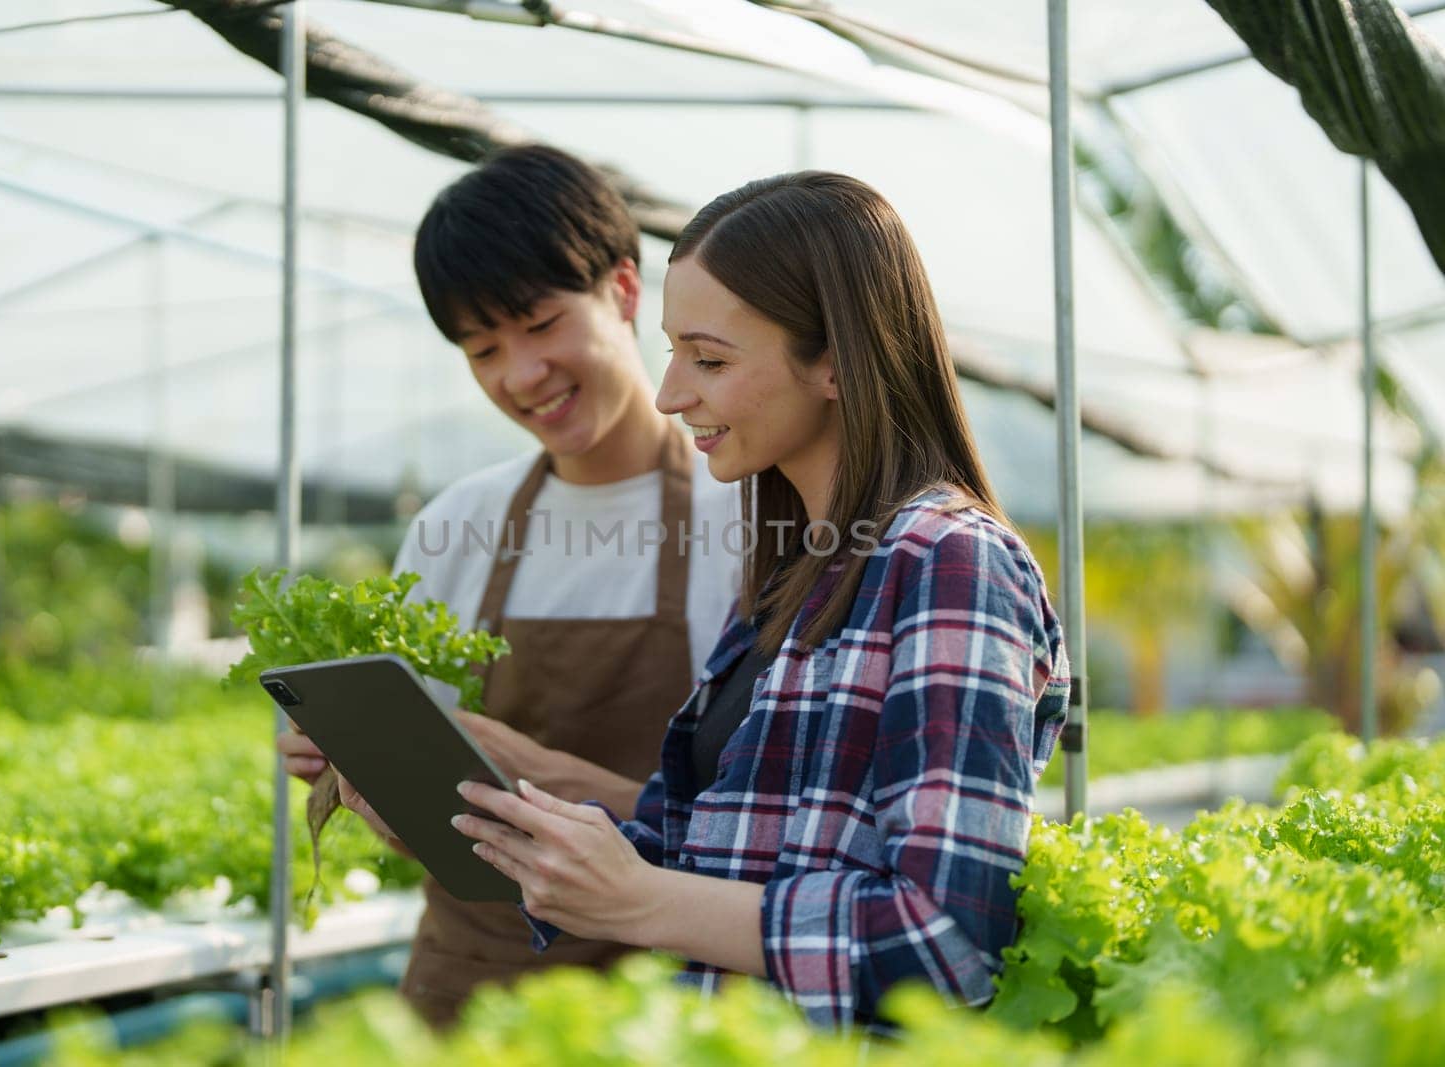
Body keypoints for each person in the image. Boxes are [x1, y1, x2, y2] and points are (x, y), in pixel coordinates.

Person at [449, 171, 1072, 1030]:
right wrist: (491, 813)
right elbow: (692, 846)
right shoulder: (793, 573)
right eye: (672, 352)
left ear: (838, 363)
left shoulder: (950, 563)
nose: (671, 393)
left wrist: (643, 901)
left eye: (709, 359)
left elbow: (947, 938)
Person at [276, 145, 742, 1027]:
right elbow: (432, 818)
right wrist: (364, 772)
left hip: (667, 992)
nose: (519, 375)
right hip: (470, 987)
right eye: (483, 348)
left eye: (538, 324)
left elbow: (774, 824)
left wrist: (556, 781)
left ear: (625, 290)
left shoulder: (750, 515)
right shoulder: (461, 524)